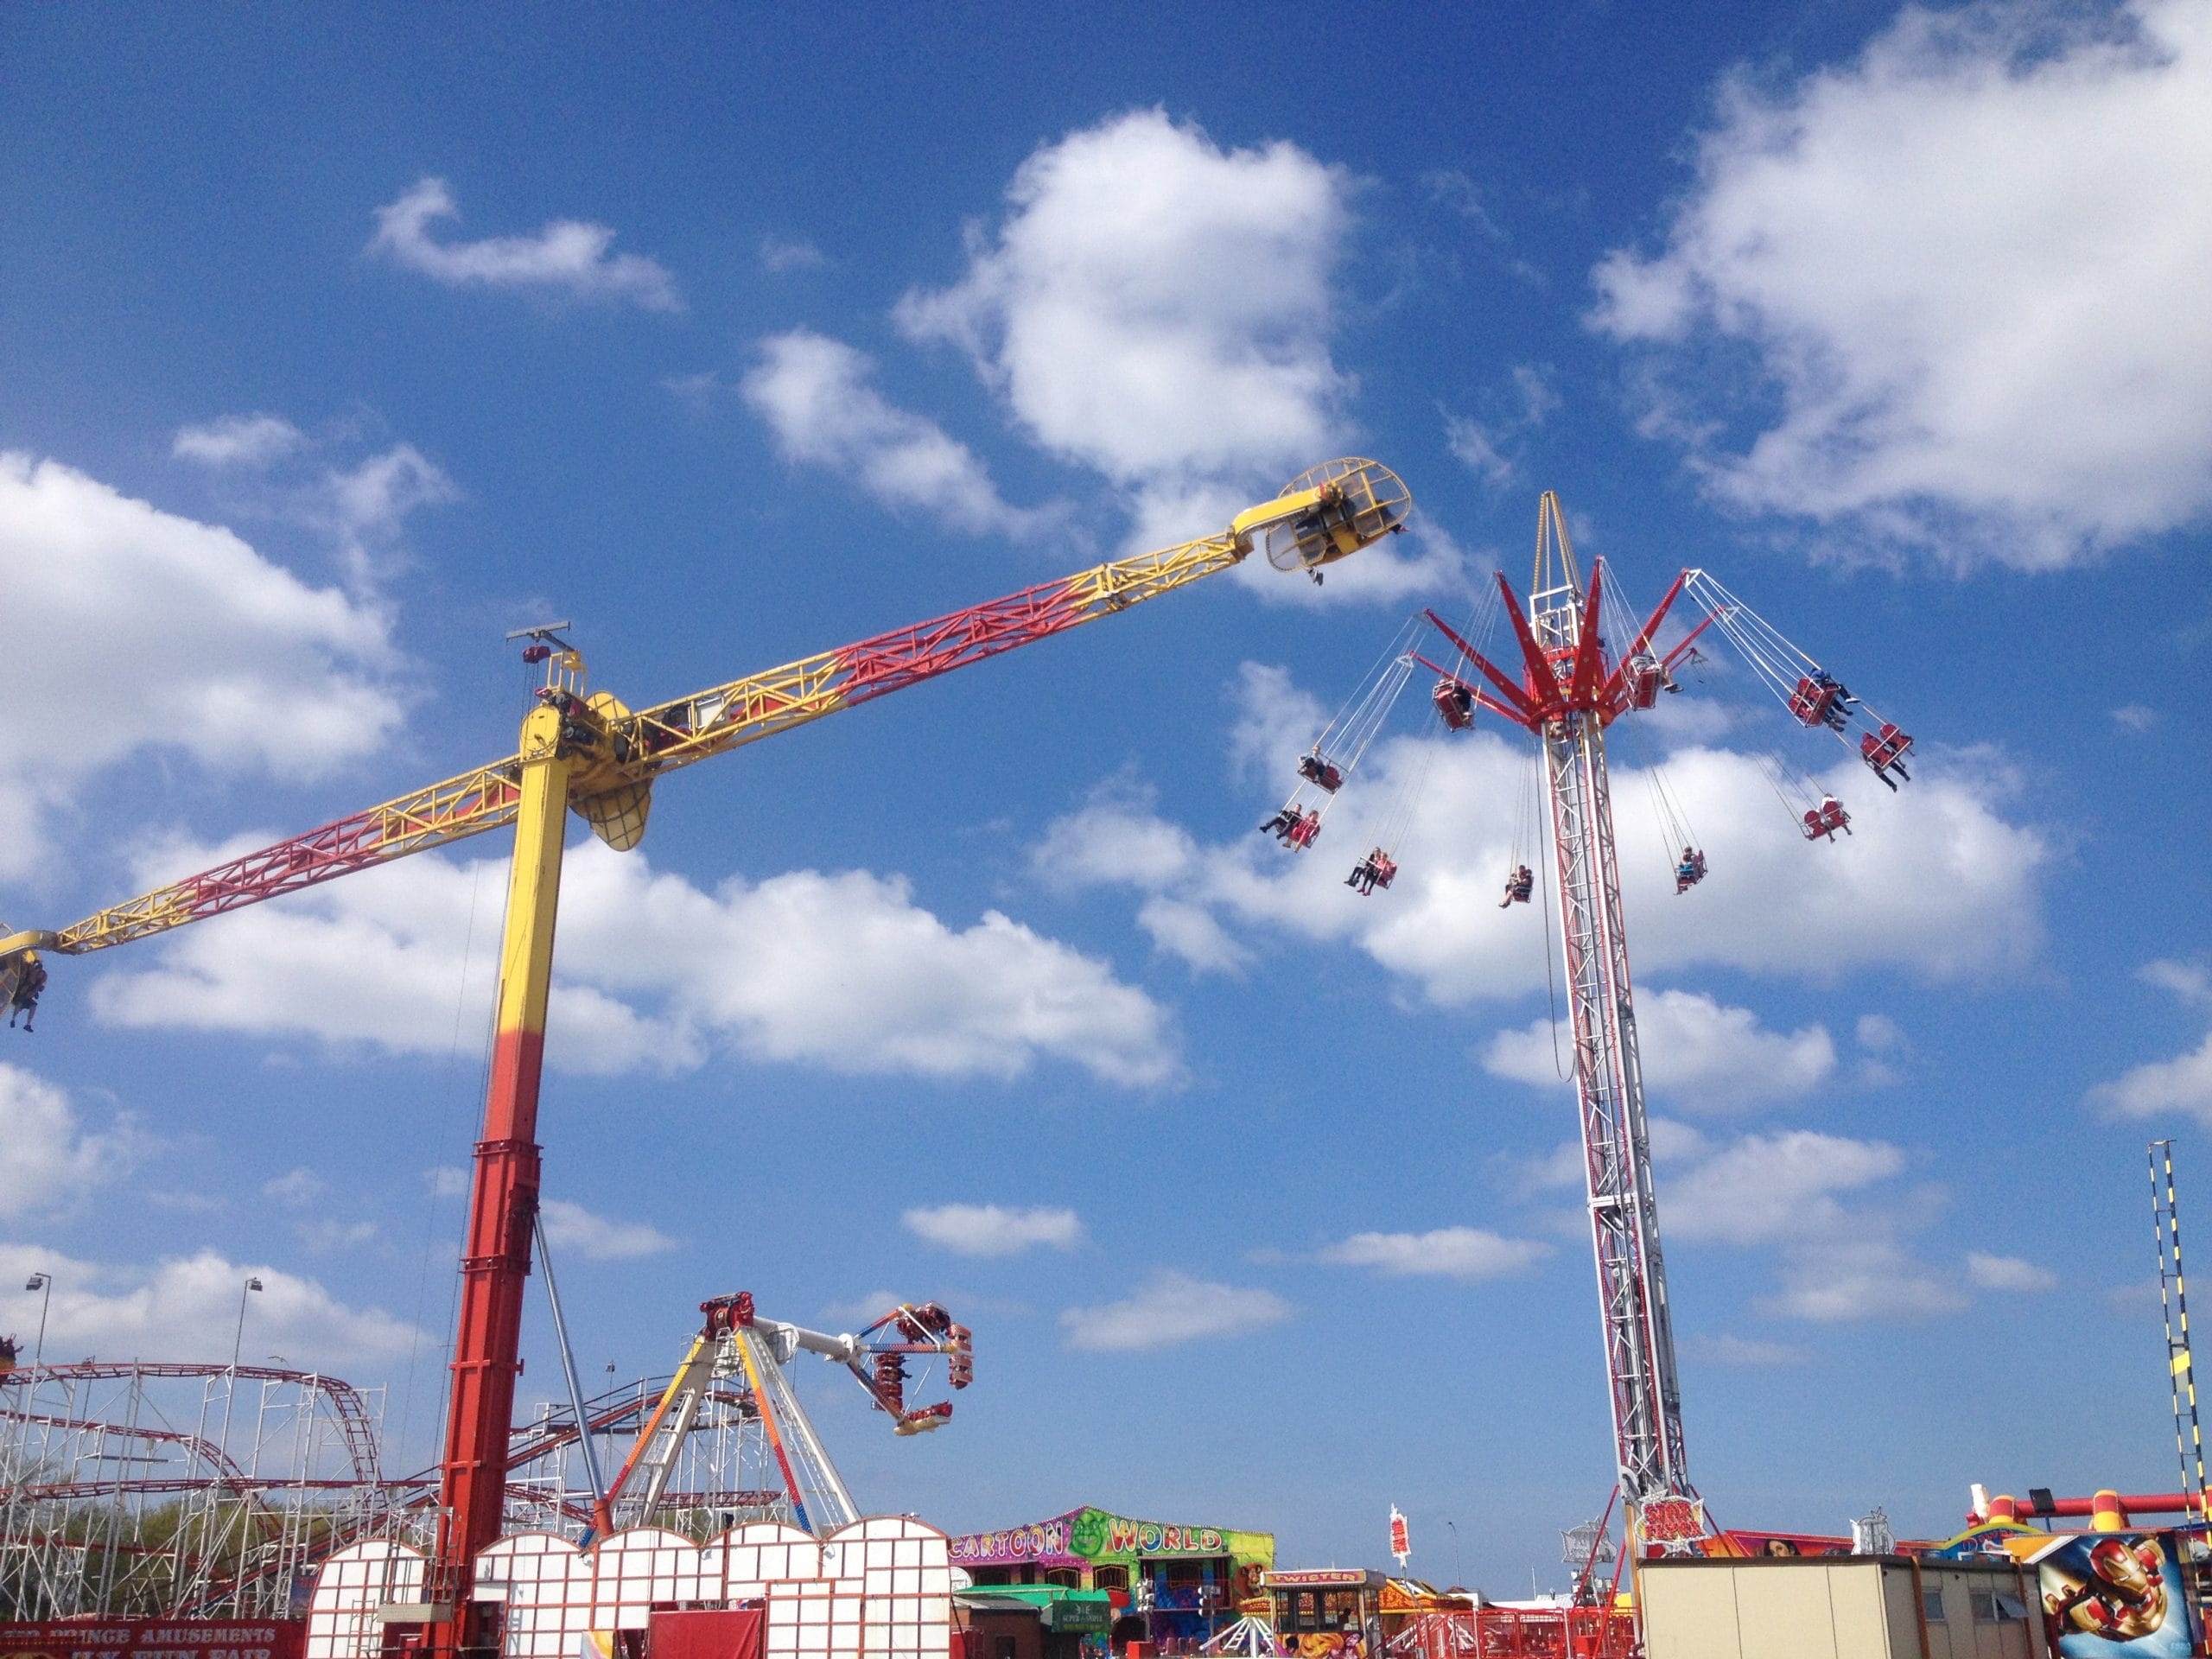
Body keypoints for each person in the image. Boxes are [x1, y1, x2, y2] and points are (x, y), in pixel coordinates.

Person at [7, 958, 46, 1032]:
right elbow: (25, 971)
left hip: (27, 996)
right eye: (39, 973)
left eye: (41, 974)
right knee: (20, 1002)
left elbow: (41, 987)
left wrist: (36, 992)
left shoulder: (39, 982)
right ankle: (13, 1019)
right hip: (19, 993)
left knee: (33, 1005)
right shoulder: (30, 972)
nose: (39, 975)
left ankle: (28, 1024)